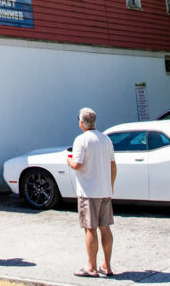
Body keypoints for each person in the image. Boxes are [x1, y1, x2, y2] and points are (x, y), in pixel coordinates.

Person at [67, 107, 116, 278]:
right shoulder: (106, 139)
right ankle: (107, 266)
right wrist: (110, 187)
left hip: (88, 191)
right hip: (104, 191)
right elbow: (112, 165)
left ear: (81, 122)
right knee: (105, 227)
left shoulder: (81, 140)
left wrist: (69, 161)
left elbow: (77, 165)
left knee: (90, 229)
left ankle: (92, 267)